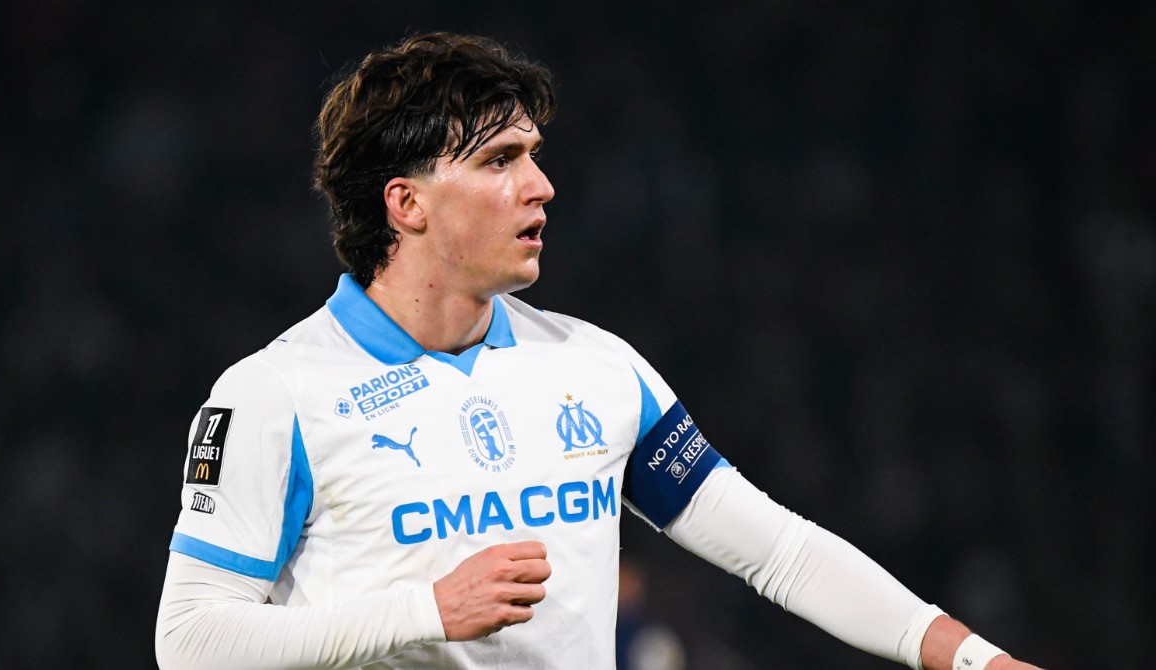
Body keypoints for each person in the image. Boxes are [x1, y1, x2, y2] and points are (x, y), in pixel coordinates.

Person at [155, 32, 1042, 670]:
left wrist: (975, 660)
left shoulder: (597, 369)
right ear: (407, 203)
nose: (540, 186)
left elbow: (777, 551)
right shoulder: (276, 394)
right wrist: (425, 611)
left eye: (534, 156)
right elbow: (190, 641)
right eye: (500, 160)